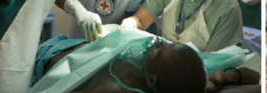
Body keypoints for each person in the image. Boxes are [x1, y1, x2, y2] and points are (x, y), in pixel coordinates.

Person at [32, 35, 207, 92]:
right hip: (65, 45)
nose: (154, 43)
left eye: (158, 50)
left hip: (43, 64)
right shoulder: (178, 70)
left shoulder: (112, 88)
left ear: (152, 81)